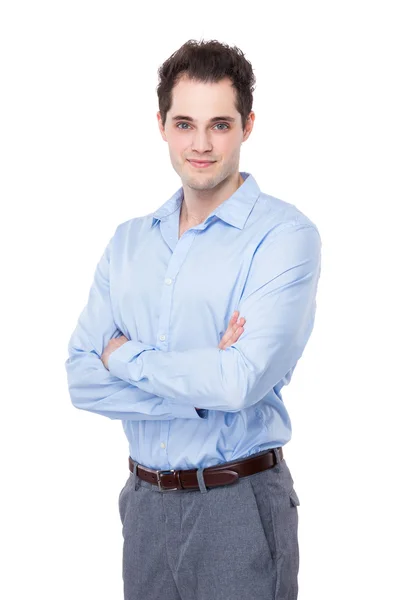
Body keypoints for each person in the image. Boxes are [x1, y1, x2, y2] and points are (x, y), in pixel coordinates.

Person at [65, 38, 322, 600]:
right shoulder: (129, 242)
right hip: (144, 506)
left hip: (237, 507)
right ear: (160, 125)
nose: (201, 144)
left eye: (220, 125)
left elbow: (239, 382)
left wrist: (126, 357)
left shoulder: (283, 237)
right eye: (184, 123)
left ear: (247, 125)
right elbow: (82, 378)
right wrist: (202, 388)